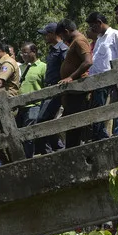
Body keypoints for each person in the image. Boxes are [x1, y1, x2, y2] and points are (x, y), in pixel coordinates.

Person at [85, 11, 118, 140]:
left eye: (92, 26)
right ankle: (102, 138)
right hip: (99, 82)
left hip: (112, 80)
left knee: (115, 111)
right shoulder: (99, 38)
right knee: (101, 112)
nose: (91, 29)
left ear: (99, 23)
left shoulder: (115, 34)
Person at [55, 19, 93, 149]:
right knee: (71, 124)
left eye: (62, 35)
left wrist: (71, 77)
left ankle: (74, 151)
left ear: (66, 31)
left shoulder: (79, 41)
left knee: (75, 125)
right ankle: (72, 150)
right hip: (73, 92)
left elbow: (88, 62)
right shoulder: (74, 42)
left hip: (78, 90)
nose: (62, 39)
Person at [33, 22, 68, 155]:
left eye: (46, 34)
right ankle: (56, 150)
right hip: (49, 90)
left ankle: (54, 151)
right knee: (44, 121)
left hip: (56, 90)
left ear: (53, 34)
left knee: (42, 121)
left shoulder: (62, 50)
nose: (45, 37)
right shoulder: (53, 50)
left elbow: (66, 69)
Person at [17, 42, 47, 157]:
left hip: (34, 105)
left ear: (34, 52)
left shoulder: (43, 67)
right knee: (19, 134)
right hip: (19, 107)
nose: (23, 55)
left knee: (28, 134)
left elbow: (46, 86)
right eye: (22, 53)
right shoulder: (20, 68)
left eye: (25, 52)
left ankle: (29, 159)